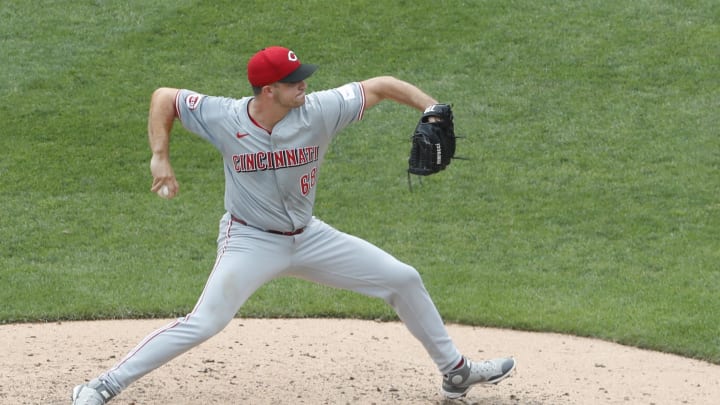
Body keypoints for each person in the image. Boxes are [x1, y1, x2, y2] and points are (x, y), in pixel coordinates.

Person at [71, 46, 515, 404]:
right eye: (293, 80)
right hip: (249, 240)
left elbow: (380, 86)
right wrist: (160, 156)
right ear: (268, 91)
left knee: (403, 278)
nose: (304, 83)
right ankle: (101, 387)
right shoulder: (224, 116)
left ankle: (455, 374)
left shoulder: (319, 109)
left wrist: (431, 107)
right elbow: (164, 97)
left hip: (309, 237)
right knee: (205, 321)